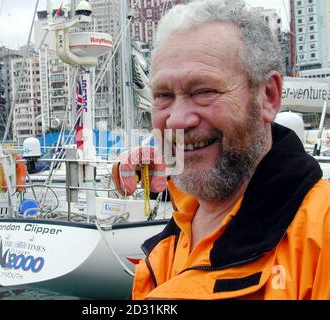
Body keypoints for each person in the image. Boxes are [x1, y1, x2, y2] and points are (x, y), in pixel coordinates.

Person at [117, 0, 330, 300]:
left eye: (204, 91)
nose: (177, 119)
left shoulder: (320, 238)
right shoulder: (164, 253)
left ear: (268, 97)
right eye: (163, 95)